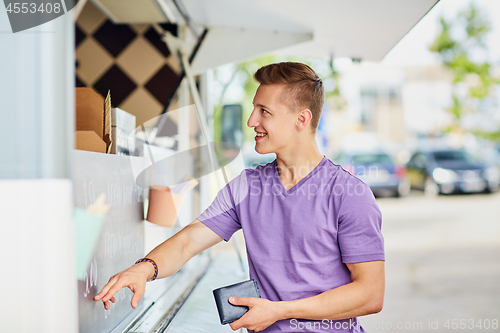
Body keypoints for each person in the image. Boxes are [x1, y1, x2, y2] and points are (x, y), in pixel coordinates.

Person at [95, 62, 385, 333]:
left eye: (264, 111)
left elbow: (370, 294)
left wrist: (280, 311)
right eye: (253, 109)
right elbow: (186, 242)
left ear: (301, 118)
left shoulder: (348, 193)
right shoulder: (247, 186)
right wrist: (144, 269)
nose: (251, 121)